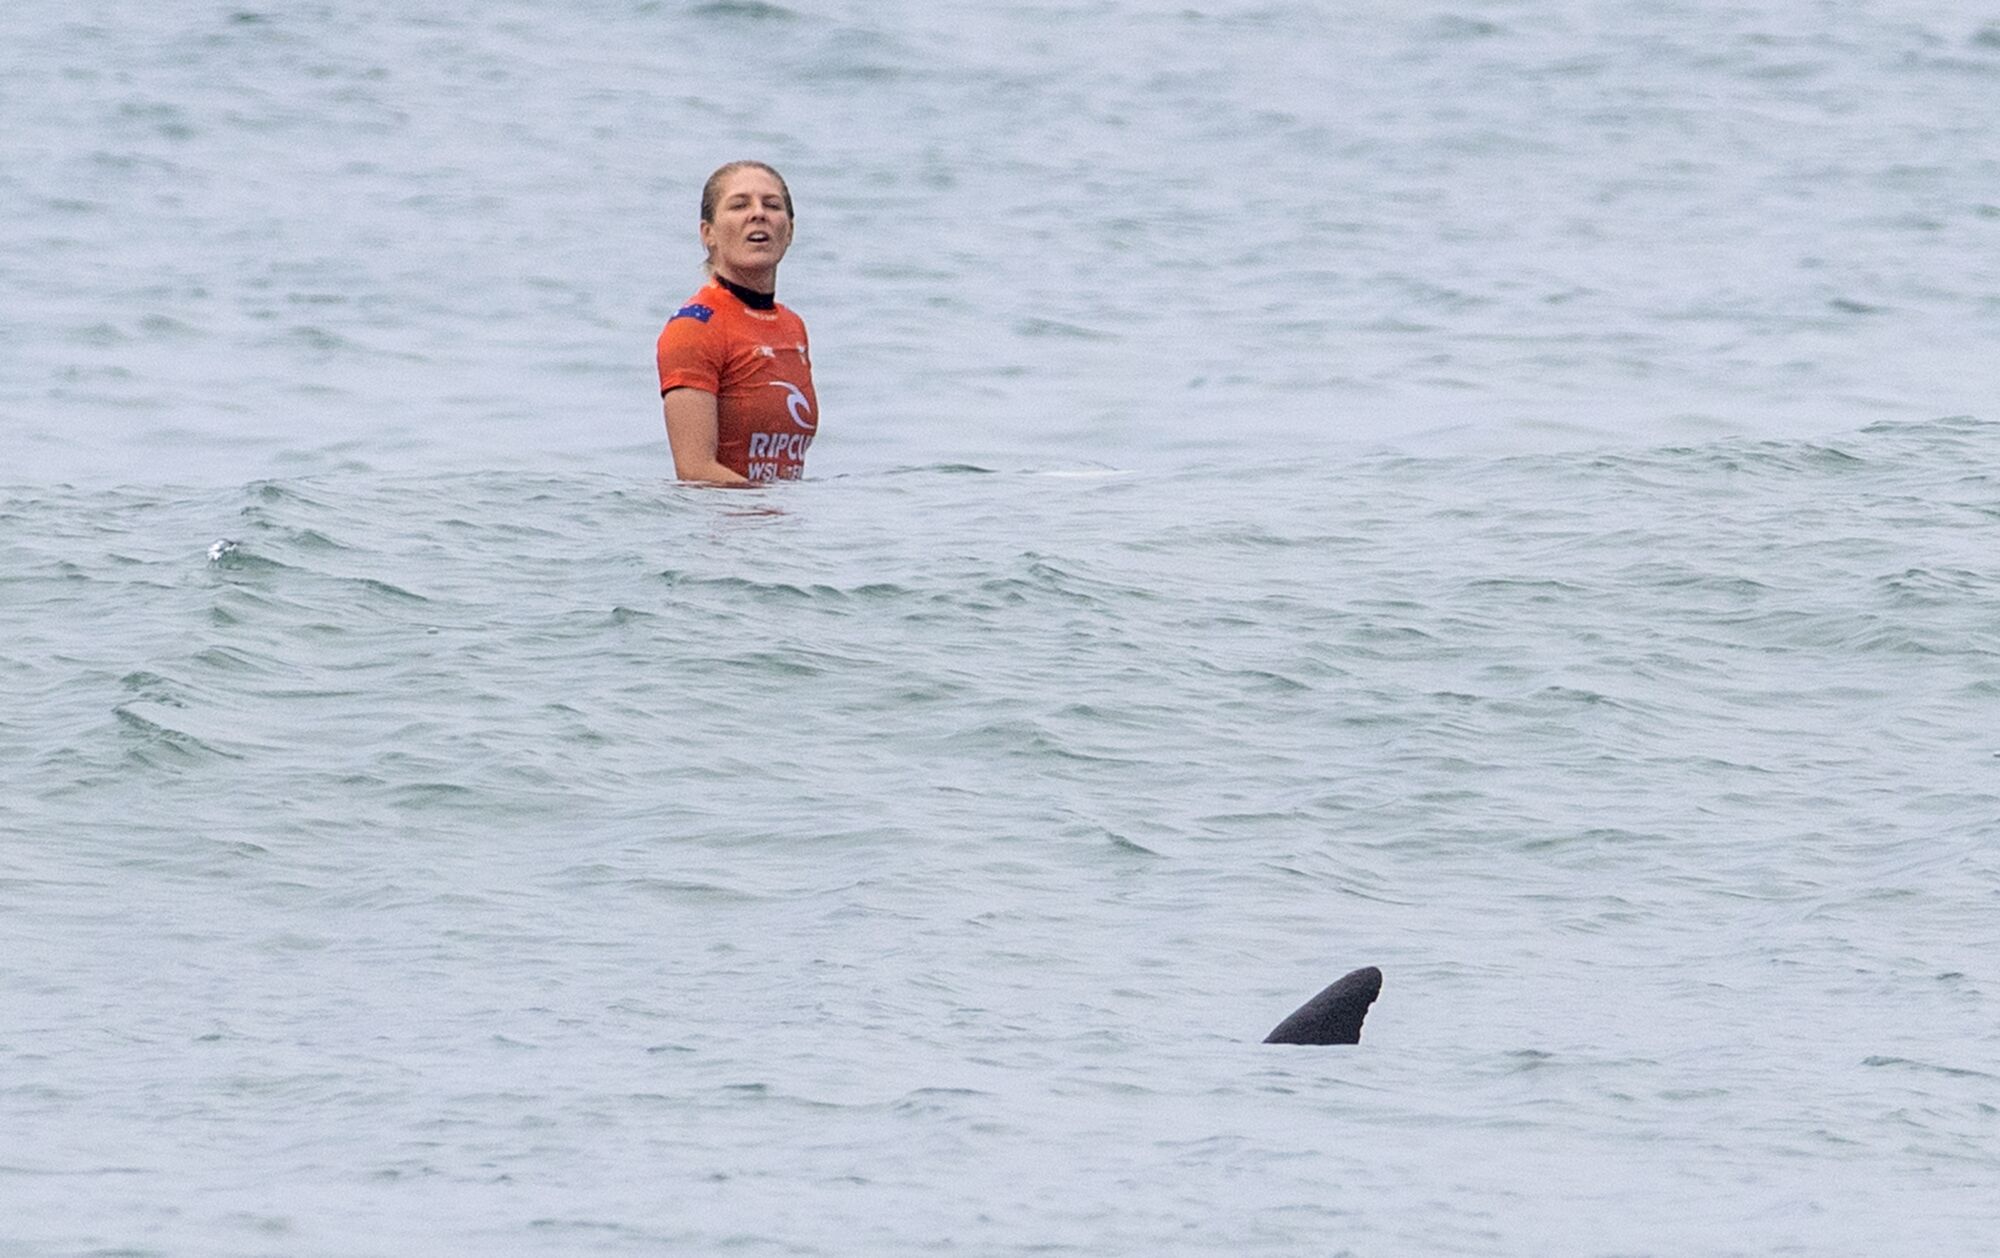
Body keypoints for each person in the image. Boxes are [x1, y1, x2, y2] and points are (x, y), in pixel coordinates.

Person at [656, 161, 818, 485]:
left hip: (783, 529)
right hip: (724, 530)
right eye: (739, 204)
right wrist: (764, 514)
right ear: (708, 234)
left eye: (772, 205)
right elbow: (695, 471)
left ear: (790, 231)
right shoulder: (695, 326)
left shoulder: (792, 325)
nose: (758, 214)